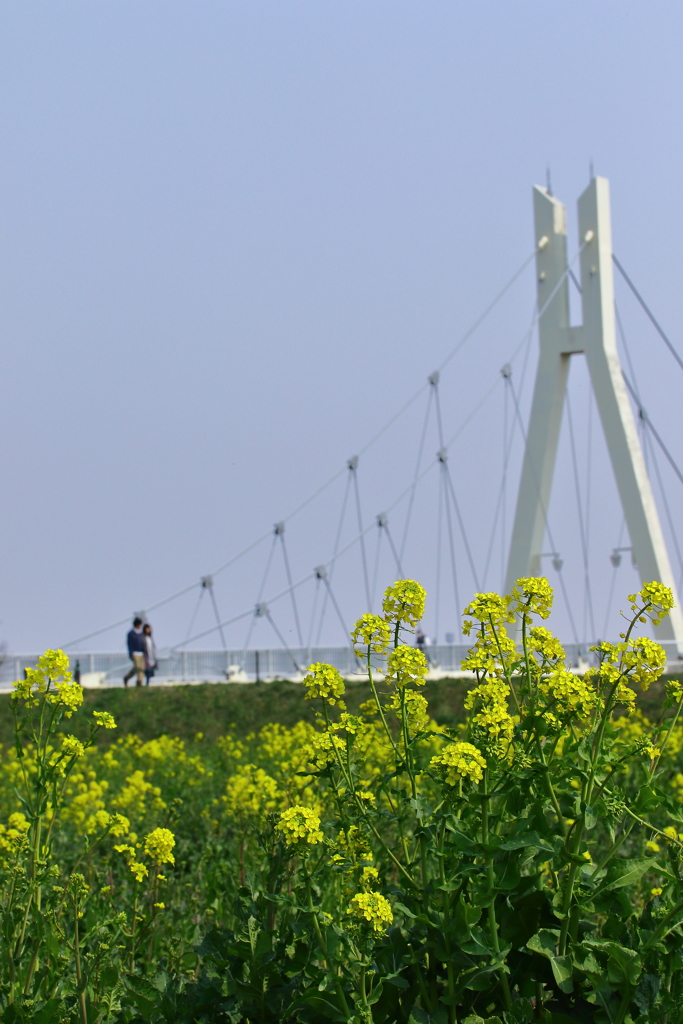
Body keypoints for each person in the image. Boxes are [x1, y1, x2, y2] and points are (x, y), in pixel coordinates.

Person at [124, 617, 146, 687]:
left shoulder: (141, 634)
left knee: (141, 668)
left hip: (141, 654)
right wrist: (131, 654)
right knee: (138, 667)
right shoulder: (131, 634)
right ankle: (127, 677)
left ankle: (139, 681)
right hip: (135, 653)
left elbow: (143, 644)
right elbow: (129, 644)